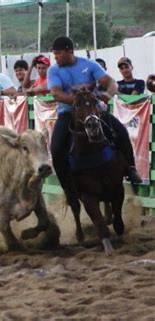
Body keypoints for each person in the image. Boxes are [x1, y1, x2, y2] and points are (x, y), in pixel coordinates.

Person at [47, 36, 142, 213]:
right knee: (57, 148)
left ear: (69, 51)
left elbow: (111, 82)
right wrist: (77, 101)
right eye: (55, 54)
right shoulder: (53, 70)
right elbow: (57, 94)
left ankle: (130, 168)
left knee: (121, 132)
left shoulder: (89, 65)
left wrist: (107, 96)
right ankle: (69, 189)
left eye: (58, 53)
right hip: (68, 114)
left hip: (94, 110)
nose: (56, 57)